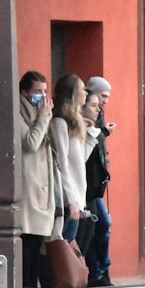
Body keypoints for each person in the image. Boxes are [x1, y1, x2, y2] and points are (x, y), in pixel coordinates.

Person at [13, 70, 58, 288]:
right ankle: (27, 283)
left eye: (45, 91)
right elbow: (31, 143)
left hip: (43, 183)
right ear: (25, 92)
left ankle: (34, 282)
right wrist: (43, 119)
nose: (42, 96)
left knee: (38, 237)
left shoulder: (40, 112)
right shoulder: (18, 113)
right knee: (28, 236)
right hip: (28, 182)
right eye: (37, 91)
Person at [80, 75, 117, 286]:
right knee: (100, 223)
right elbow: (87, 142)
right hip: (86, 182)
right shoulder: (84, 117)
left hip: (96, 181)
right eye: (103, 96)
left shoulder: (99, 115)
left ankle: (99, 271)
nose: (105, 102)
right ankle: (97, 271)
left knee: (98, 225)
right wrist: (103, 133)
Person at [51, 74, 92, 247]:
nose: (86, 93)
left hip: (77, 196)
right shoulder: (60, 123)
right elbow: (62, 163)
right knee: (63, 248)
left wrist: (91, 137)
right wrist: (71, 199)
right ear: (72, 94)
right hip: (68, 199)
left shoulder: (75, 122)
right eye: (82, 89)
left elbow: (81, 160)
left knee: (71, 245)